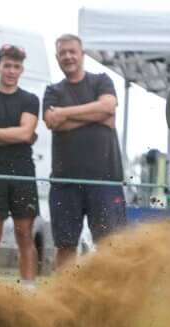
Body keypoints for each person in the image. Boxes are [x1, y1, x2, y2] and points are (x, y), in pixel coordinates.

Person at [43, 33, 126, 269]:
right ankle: (64, 291)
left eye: (72, 52)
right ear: (57, 58)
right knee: (65, 245)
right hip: (65, 182)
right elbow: (52, 121)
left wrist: (65, 113)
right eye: (63, 53)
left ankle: (108, 290)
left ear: (82, 55)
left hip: (105, 180)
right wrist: (97, 116)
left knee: (110, 244)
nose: (68, 56)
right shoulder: (52, 91)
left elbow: (108, 107)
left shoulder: (102, 81)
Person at [0, 45, 40, 286]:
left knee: (25, 235)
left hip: (23, 171)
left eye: (16, 66)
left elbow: (26, 133)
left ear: (22, 69)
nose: (11, 71)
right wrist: (16, 134)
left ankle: (29, 292)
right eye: (7, 66)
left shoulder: (30, 100)